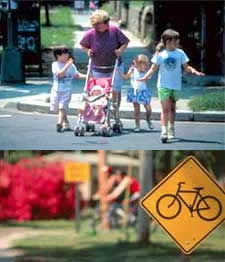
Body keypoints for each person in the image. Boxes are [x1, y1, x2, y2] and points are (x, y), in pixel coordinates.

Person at [139, 29, 205, 141]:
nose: (177, 43)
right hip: (163, 85)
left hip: (175, 85)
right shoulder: (160, 55)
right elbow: (153, 68)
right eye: (175, 41)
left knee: (173, 108)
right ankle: (164, 131)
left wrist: (194, 71)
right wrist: (146, 77)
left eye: (177, 41)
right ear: (168, 42)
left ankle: (171, 128)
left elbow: (186, 67)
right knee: (165, 109)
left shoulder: (180, 53)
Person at [80, 9, 130, 123]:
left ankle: (116, 114)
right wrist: (87, 51)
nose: (96, 27)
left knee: (115, 91)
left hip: (115, 66)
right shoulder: (91, 33)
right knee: (100, 92)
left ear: (106, 22)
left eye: (98, 25)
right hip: (98, 67)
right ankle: (101, 115)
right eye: (95, 25)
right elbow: (83, 45)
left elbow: (125, 42)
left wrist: (120, 50)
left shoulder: (114, 30)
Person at [50, 46, 86, 132]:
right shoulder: (55, 65)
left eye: (67, 53)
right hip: (56, 90)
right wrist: (68, 64)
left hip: (67, 90)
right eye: (64, 54)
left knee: (62, 107)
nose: (67, 55)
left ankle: (59, 123)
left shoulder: (71, 65)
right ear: (58, 56)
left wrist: (88, 76)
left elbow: (77, 75)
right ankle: (66, 123)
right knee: (57, 108)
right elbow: (60, 74)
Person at [119, 54, 154, 132]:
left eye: (145, 65)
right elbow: (126, 77)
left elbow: (148, 77)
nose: (143, 67)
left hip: (143, 92)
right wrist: (119, 73)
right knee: (137, 109)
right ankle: (137, 125)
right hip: (134, 91)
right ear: (136, 64)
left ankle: (148, 119)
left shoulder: (146, 73)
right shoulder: (132, 70)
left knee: (148, 109)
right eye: (140, 65)